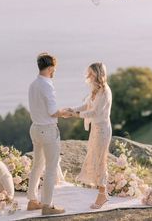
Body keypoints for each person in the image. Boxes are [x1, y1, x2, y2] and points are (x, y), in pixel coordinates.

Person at [26, 53, 70, 216]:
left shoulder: (33, 84)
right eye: (54, 68)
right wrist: (65, 113)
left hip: (35, 129)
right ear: (51, 68)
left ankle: (32, 201)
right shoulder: (47, 85)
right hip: (47, 130)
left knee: (37, 165)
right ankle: (47, 206)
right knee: (51, 168)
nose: (54, 71)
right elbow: (52, 112)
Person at [64, 62, 112, 209]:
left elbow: (95, 113)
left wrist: (75, 115)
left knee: (100, 161)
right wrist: (71, 109)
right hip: (95, 130)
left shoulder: (105, 92)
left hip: (103, 130)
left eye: (91, 73)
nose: (88, 76)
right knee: (94, 158)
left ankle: (102, 195)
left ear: (98, 74)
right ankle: (102, 192)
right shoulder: (95, 90)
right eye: (88, 73)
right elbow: (87, 106)